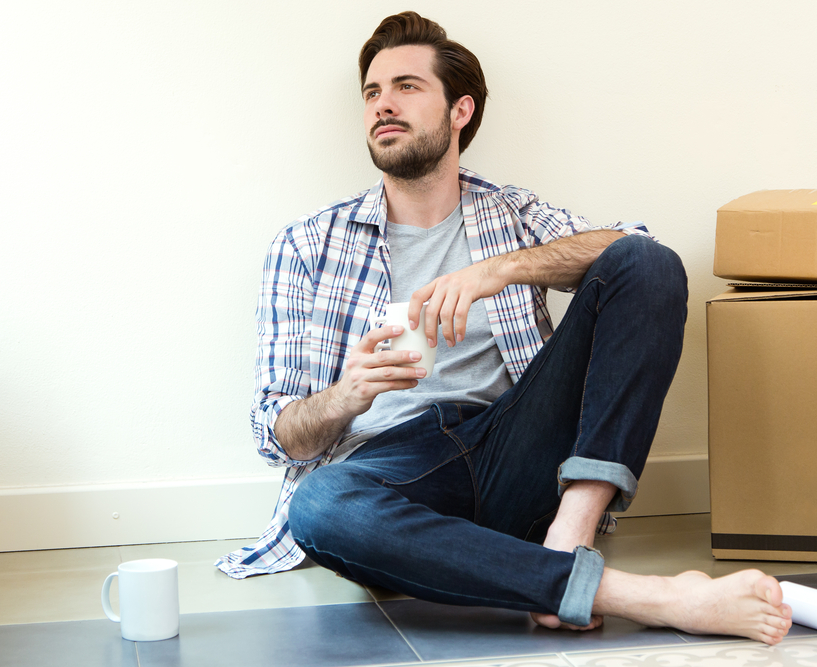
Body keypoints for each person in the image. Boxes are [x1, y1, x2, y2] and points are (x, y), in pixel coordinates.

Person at [215, 11, 793, 644]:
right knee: (320, 508)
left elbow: (640, 252)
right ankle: (637, 594)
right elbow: (279, 438)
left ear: (460, 111)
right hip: (394, 463)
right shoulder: (305, 246)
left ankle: (570, 531)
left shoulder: (512, 214)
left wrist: (502, 270)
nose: (383, 105)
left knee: (645, 263)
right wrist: (346, 395)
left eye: (407, 87)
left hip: (515, 441)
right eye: (372, 92)